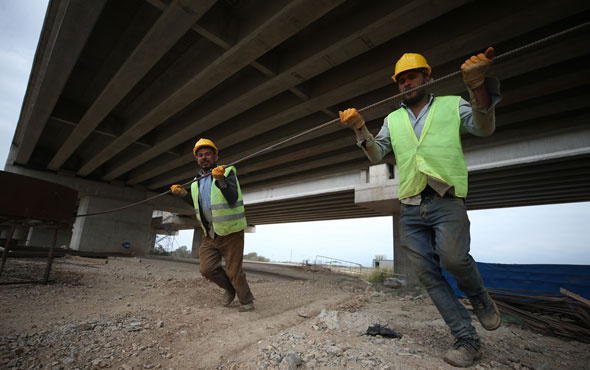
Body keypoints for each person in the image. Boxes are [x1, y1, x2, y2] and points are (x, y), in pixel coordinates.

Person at [339, 48, 502, 367]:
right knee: (428, 274)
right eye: (401, 80)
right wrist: (360, 128)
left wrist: (477, 85)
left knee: (454, 259)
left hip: (447, 199)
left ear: (427, 78)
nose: (406, 83)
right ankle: (467, 340)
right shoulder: (393, 119)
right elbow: (377, 154)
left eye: (412, 76)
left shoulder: (451, 105)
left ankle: (480, 298)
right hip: (411, 206)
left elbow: (484, 127)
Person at [170, 138, 255, 312]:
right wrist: (183, 194)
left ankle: (247, 301)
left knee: (234, 271)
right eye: (200, 155)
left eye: (208, 154)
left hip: (230, 232)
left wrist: (221, 180)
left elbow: (232, 197)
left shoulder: (227, 171)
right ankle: (230, 290)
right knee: (206, 269)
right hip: (210, 233)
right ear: (197, 159)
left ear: (216, 156)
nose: (204, 158)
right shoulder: (196, 181)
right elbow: (197, 203)